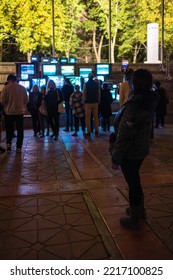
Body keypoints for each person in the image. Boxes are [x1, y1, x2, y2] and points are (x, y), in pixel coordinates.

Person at [111, 69, 157, 229]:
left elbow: (124, 134)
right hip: (141, 148)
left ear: (134, 84)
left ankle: (135, 215)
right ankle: (139, 209)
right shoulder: (148, 101)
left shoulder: (135, 105)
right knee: (135, 180)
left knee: (133, 183)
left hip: (130, 151)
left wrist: (116, 157)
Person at [1, 74, 28, 152]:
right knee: (20, 130)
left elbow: (2, 101)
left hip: (9, 113)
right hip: (19, 112)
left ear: (8, 80)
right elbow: (26, 100)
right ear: (15, 80)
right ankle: (19, 147)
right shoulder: (22, 88)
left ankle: (9, 145)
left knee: (9, 130)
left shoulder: (5, 89)